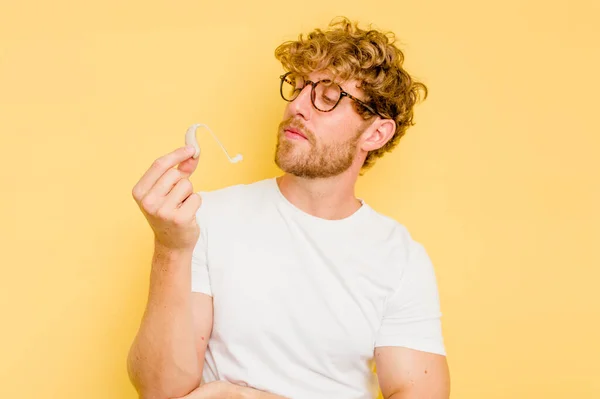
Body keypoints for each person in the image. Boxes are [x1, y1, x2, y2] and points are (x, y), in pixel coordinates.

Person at [127, 17, 450, 399]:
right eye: (297, 88)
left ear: (376, 133)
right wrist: (170, 247)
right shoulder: (206, 219)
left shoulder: (399, 258)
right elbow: (160, 390)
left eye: (327, 98)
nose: (297, 106)